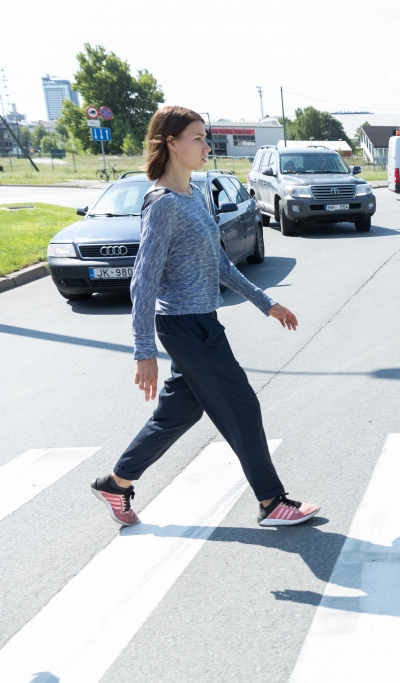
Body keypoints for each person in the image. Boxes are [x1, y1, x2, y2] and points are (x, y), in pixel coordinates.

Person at [90, 106, 320, 528]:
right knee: (242, 407)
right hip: (184, 325)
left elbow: (220, 265)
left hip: (201, 322)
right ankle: (271, 502)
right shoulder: (161, 206)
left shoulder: (194, 195)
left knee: (179, 413)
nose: (206, 145)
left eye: (204, 136)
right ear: (171, 143)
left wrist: (266, 302)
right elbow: (142, 282)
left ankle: (116, 483)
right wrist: (143, 350)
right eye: (197, 138)